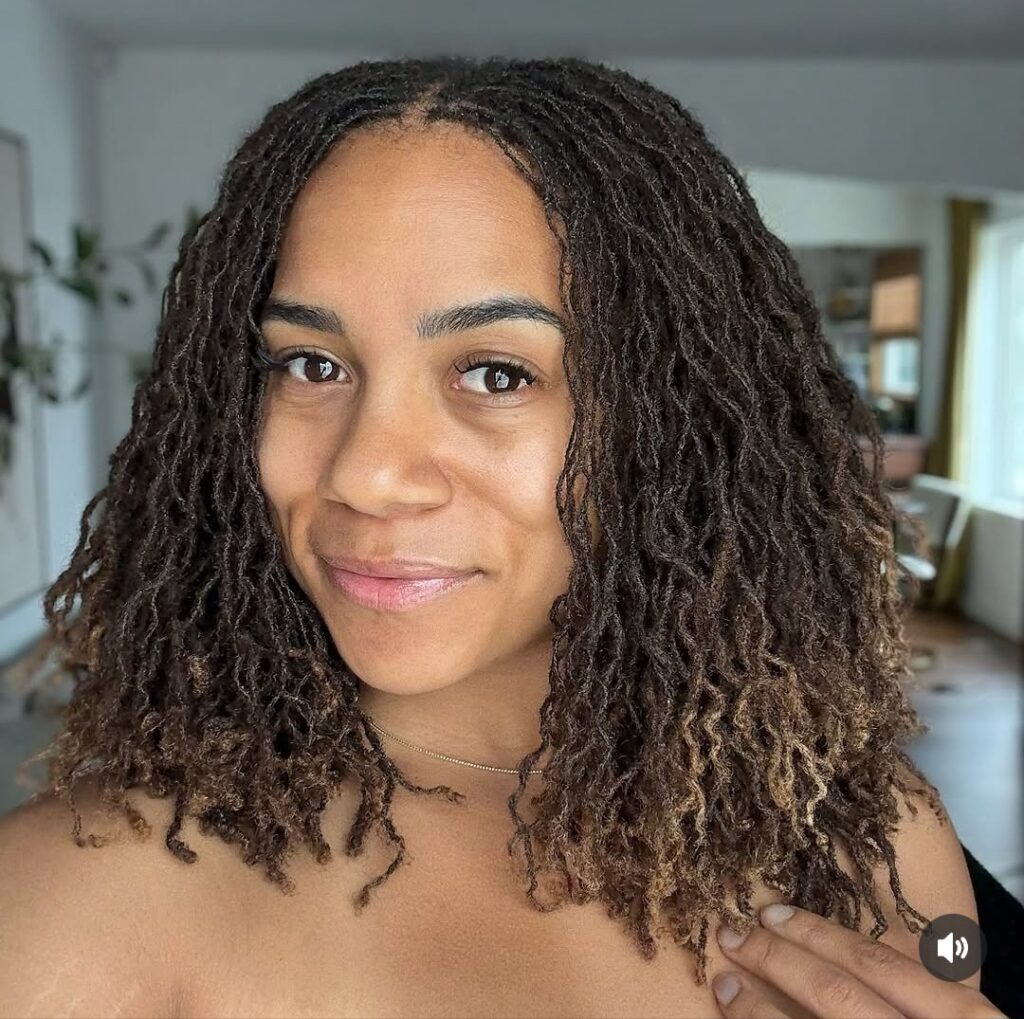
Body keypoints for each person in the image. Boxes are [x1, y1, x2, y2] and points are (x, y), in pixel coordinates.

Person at [0, 56, 1008, 1018]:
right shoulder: (72, 905)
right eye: (309, 365)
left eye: (496, 373)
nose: (364, 472)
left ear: (673, 427)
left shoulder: (873, 833)